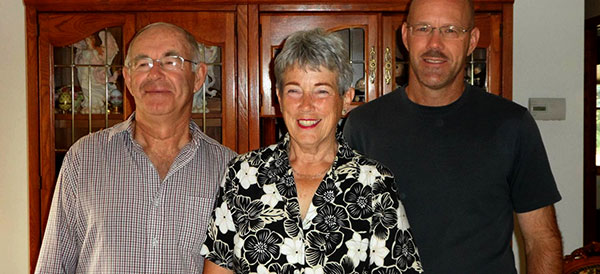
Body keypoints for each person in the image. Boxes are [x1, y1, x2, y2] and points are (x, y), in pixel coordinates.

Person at [343, 0, 563, 273]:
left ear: (472, 41)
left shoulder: (512, 125)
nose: (435, 44)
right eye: (424, 28)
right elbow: (347, 239)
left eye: (450, 30)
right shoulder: (363, 125)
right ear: (406, 35)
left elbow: (541, 240)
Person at [201, 28, 423, 273]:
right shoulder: (243, 175)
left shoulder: (374, 183)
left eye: (321, 91)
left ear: (346, 99)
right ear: (279, 98)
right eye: (294, 91)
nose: (306, 105)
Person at [35, 22, 237, 273]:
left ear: (198, 76)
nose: (155, 74)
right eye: (142, 64)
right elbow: (54, 265)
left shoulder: (231, 171)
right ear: (128, 79)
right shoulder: (84, 158)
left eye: (171, 61)